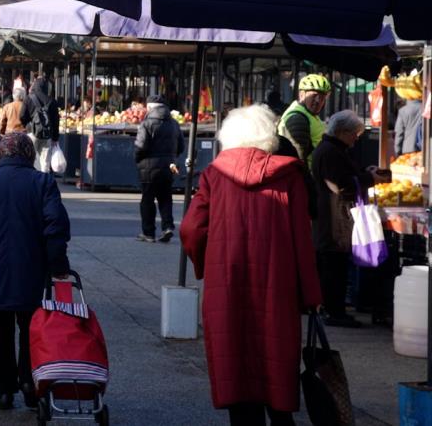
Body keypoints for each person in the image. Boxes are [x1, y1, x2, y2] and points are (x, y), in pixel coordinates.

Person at [181, 105, 322, 426]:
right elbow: (303, 241)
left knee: (237, 374)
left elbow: (190, 229)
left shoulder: (215, 174)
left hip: (227, 287)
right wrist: (311, 295)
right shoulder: (290, 175)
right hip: (278, 289)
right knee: (276, 372)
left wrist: (207, 264)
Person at [0, 132, 71, 411]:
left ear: (2, 153)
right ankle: (30, 384)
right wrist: (59, 267)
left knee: (0, 330)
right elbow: (55, 228)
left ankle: (4, 389)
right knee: (32, 329)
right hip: (32, 269)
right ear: (28, 153)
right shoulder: (42, 182)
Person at [310, 110, 386, 328]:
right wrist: (369, 178)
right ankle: (334, 312)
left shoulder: (334, 149)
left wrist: (365, 172)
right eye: (354, 133)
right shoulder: (331, 152)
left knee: (334, 266)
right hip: (334, 218)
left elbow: (346, 176)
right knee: (333, 267)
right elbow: (341, 185)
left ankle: (334, 309)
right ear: (342, 132)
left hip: (334, 216)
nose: (356, 137)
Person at [134, 93, 183, 243]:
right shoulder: (174, 124)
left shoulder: (146, 123)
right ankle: (167, 227)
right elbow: (181, 146)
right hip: (169, 166)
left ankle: (148, 233)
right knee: (165, 197)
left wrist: (138, 158)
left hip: (149, 166)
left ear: (149, 107)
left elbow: (140, 146)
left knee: (147, 199)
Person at [277, 74, 331, 166]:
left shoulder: (309, 114)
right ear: (302, 95)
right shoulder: (297, 119)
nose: (318, 101)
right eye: (314, 95)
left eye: (322, 97)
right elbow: (298, 159)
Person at [20, 77, 60, 169]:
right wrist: (55, 137)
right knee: (45, 161)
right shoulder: (51, 101)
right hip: (47, 134)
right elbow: (56, 121)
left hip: (32, 133)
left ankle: (32, 179)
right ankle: (43, 180)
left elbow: (22, 116)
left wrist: (28, 126)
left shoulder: (28, 98)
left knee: (31, 158)